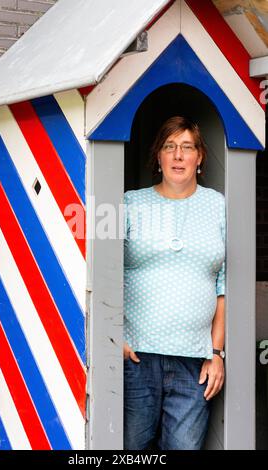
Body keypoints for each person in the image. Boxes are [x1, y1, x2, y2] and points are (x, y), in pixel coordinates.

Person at [123, 116, 226, 450]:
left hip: (194, 362)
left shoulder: (219, 206)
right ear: (158, 157)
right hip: (136, 355)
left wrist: (216, 351)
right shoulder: (129, 203)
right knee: (130, 452)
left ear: (199, 158)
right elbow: (101, 271)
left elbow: (224, 285)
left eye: (187, 147)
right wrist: (113, 338)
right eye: (169, 147)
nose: (178, 156)